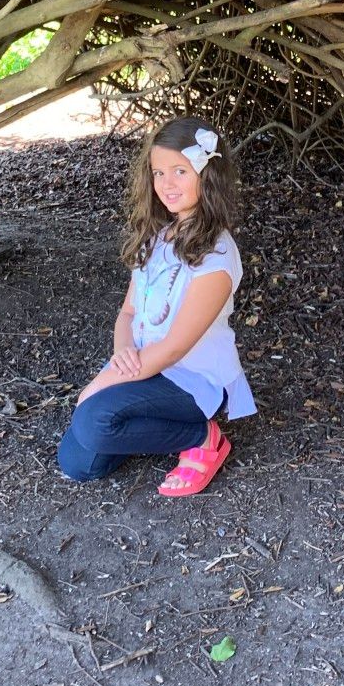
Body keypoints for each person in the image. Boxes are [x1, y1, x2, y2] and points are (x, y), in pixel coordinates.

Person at [57, 117, 255, 496]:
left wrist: (104, 383)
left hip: (190, 381)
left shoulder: (216, 256)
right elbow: (128, 313)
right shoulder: (158, 238)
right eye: (158, 172)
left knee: (93, 420)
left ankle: (201, 436)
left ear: (206, 174)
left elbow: (176, 347)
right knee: (78, 463)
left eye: (180, 171)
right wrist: (122, 357)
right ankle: (137, 424)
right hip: (146, 365)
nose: (166, 184)